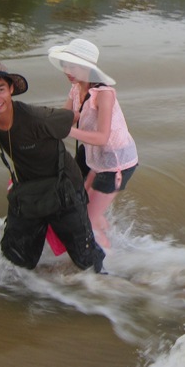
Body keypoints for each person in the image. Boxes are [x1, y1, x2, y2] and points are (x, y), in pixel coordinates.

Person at [0, 57, 105, 272]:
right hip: (28, 190)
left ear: (11, 89)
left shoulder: (37, 118)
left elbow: (73, 116)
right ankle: (22, 297)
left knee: (85, 258)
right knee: (16, 257)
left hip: (64, 188)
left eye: (0, 89)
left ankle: (106, 286)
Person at [48, 39, 138, 249]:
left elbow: (102, 137)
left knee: (88, 220)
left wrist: (65, 130)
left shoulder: (104, 94)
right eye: (65, 65)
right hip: (94, 158)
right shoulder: (75, 89)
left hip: (117, 163)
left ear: (88, 67)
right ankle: (112, 241)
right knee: (81, 205)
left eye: (73, 66)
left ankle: (108, 269)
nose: (67, 70)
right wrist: (43, 125)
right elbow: (64, 117)